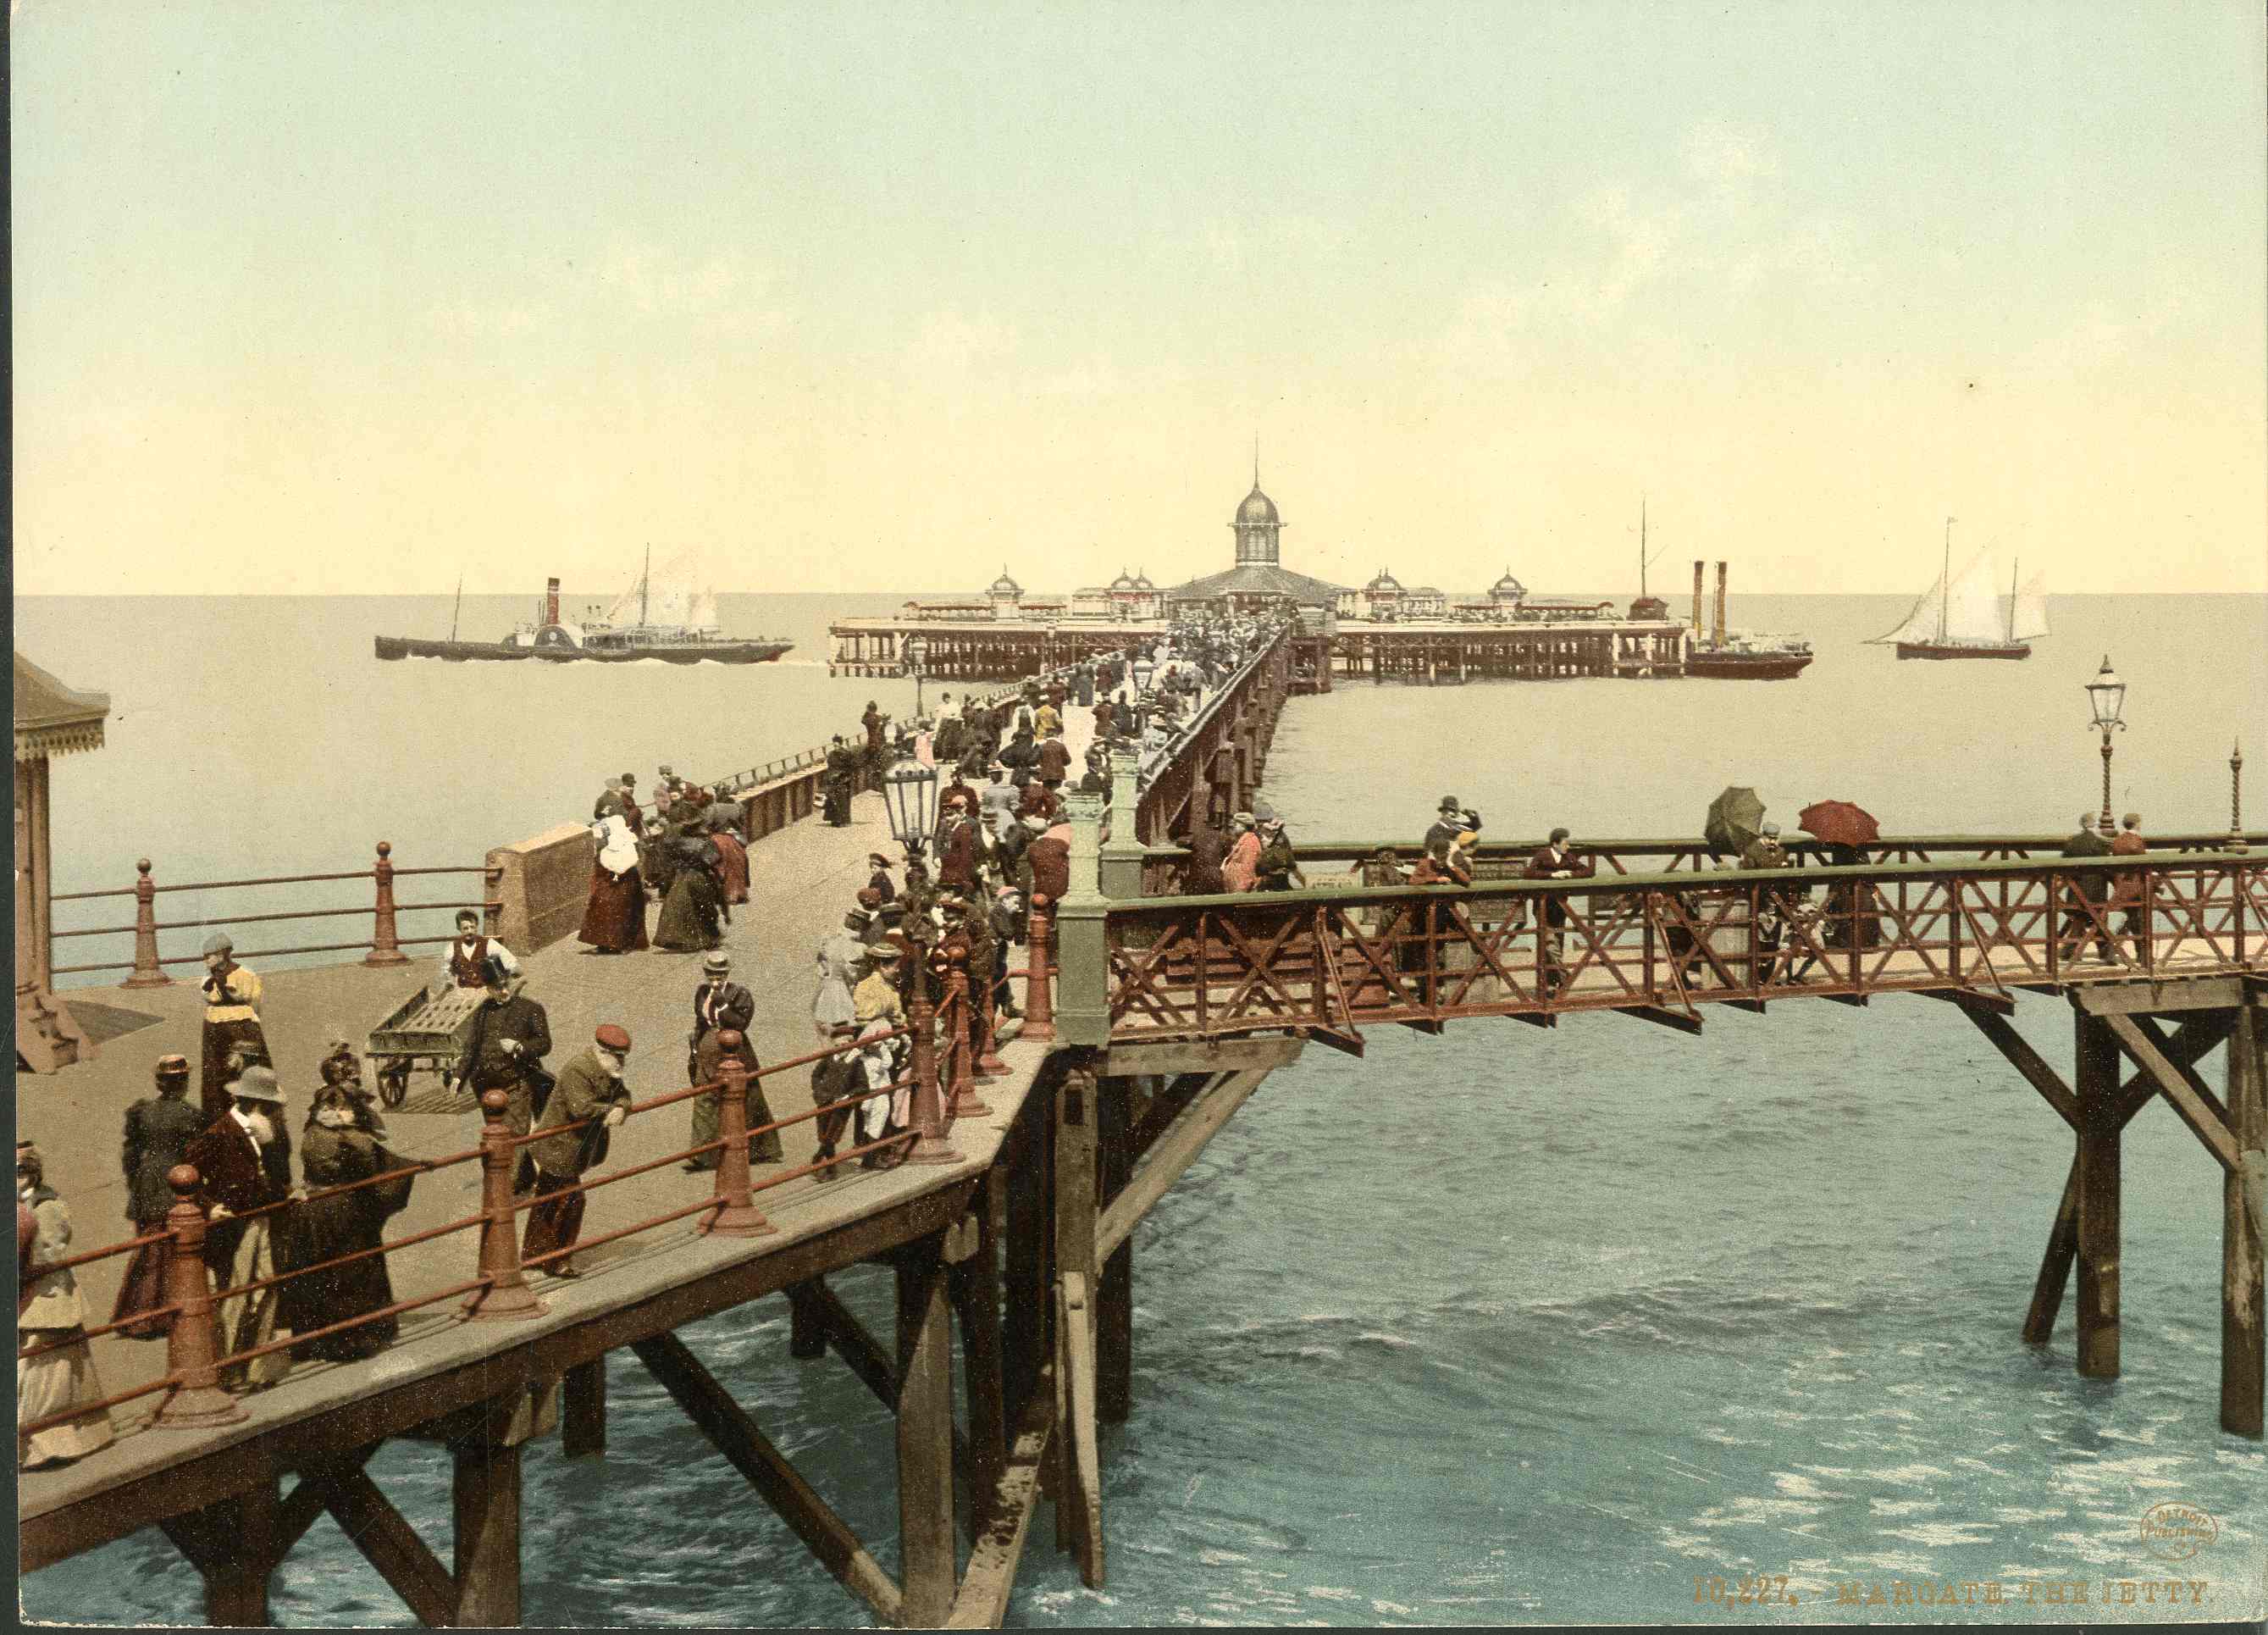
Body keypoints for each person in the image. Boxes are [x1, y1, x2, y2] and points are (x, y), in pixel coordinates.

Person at [186, 1065, 301, 1390]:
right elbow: (186, 1176)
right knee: (236, 1296)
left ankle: (258, 1367)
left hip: (262, 1219)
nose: (276, 1113)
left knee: (268, 1286)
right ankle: (229, 1371)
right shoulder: (219, 1133)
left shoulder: (262, 1131)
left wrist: (287, 1192)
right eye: (271, 1107)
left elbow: (268, 1175)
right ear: (255, 1105)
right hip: (236, 1228)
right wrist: (210, 1206)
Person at [281, 1084, 412, 1362]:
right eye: (341, 1108)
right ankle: (354, 1339)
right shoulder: (348, 1137)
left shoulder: (311, 1132)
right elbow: (374, 1162)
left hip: (313, 1209)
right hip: (341, 1208)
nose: (344, 1113)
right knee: (353, 1271)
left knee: (319, 1274)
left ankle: (315, 1341)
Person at [18, 1143, 116, 1469]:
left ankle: (54, 1445)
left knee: (47, 1377)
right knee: (43, 1373)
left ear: (31, 1173)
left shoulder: (46, 1205)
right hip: (28, 1296)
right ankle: (46, 1444)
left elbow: (52, 1251)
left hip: (47, 1296)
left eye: (18, 1172)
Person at [522, 1024, 635, 1278]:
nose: (621, 1063)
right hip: (559, 1148)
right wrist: (610, 1110)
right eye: (617, 1057)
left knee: (548, 1200)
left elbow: (624, 1094)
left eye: (623, 1057)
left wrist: (621, 1107)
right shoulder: (579, 1069)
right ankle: (557, 1261)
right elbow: (580, 1108)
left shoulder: (607, 1070)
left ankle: (534, 1256)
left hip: (571, 1149)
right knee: (571, 1202)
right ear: (601, 1051)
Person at [109, 1054, 204, 1340]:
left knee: (147, 1246)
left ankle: (136, 1314)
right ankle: (157, 1316)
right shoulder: (188, 1115)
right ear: (183, 1082)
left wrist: (136, 1180)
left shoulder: (144, 1111)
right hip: (173, 1179)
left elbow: (131, 1154)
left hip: (147, 1180)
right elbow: (195, 1153)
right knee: (170, 1248)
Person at [455, 959, 554, 1189]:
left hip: (517, 1084)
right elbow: (471, 1047)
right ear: (488, 989)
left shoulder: (531, 1009)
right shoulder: (482, 1012)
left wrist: (520, 1047)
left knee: (514, 1135)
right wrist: (459, 1077)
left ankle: (505, 1188)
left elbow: (544, 1043)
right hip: (485, 1088)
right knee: (498, 1136)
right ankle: (524, 1176)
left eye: (506, 983)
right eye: (498, 987)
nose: (505, 990)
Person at [684, 953, 781, 1171]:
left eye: (719, 974)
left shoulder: (740, 994)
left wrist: (723, 1005)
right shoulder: (701, 992)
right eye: (710, 974)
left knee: (748, 1100)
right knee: (704, 1099)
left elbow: (740, 1023)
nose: (714, 979)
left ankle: (759, 1149)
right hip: (707, 1051)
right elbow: (700, 1020)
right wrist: (694, 1046)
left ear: (727, 973)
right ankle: (702, 1155)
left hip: (735, 1051)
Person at [198, 932, 270, 1122]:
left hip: (240, 1025)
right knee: (215, 1073)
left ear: (222, 955)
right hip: (214, 1026)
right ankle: (219, 1116)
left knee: (244, 1067)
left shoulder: (246, 976)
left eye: (209, 955)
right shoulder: (208, 979)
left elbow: (254, 1003)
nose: (205, 960)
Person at [1524, 827, 1595, 993]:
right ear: (1555, 843)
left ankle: (1553, 982)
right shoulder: (1543, 855)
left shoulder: (1568, 857)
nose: (1568, 846)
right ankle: (1564, 977)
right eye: (1565, 843)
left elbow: (1588, 871)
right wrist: (1551, 876)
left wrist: (1569, 873)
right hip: (1543, 906)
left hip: (1559, 907)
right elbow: (1529, 873)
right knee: (1549, 943)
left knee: (1558, 942)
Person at [578, 815, 649, 954]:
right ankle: (606, 942)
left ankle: (620, 943)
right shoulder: (608, 844)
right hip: (613, 880)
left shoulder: (623, 843)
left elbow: (626, 862)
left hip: (624, 882)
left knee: (621, 910)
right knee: (605, 909)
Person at [1739, 823, 1795, 981]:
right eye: (1770, 838)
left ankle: (1767, 976)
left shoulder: (1782, 851)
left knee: (1774, 940)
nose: (1772, 842)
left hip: (1777, 903)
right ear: (1762, 836)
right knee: (1758, 940)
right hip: (1760, 902)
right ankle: (1755, 976)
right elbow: (1748, 878)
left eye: (1775, 839)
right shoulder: (1751, 851)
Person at [2056, 812, 2116, 963]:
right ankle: (2106, 953)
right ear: (2094, 824)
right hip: (2096, 890)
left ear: (2081, 824)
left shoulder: (2072, 842)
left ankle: (2069, 951)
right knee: (2099, 920)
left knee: (2079, 920)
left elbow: (2063, 866)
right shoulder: (2099, 843)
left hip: (2077, 890)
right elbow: (2107, 867)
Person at [654, 829, 727, 951]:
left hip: (681, 876)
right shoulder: (705, 843)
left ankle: (678, 939)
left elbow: (670, 860)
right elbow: (713, 861)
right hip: (698, 875)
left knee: (678, 904)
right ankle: (708, 936)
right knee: (705, 905)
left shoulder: (677, 842)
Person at [810, 1019, 865, 1178]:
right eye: (837, 1046)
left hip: (841, 1104)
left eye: (844, 1047)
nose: (840, 1050)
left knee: (832, 1135)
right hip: (824, 1099)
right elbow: (816, 1074)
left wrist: (847, 1096)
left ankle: (826, 1163)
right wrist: (818, 1090)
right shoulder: (829, 1059)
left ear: (851, 1045)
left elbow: (862, 1086)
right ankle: (827, 1164)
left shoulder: (855, 1063)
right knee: (823, 1132)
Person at [441, 908, 521, 988]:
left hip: (486, 989)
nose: (470, 932)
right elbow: (447, 972)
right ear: (458, 928)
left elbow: (510, 962)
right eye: (465, 928)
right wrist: (449, 982)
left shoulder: (489, 944)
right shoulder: (452, 948)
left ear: (477, 926)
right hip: (464, 991)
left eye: (472, 927)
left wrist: (510, 974)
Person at [2110, 811, 2150, 946]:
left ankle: (2115, 948)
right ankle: (2117, 947)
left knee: (2133, 917)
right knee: (2137, 919)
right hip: (2135, 886)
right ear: (2137, 824)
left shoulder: (2117, 841)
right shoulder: (2137, 841)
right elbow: (2144, 864)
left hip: (2120, 885)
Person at [710, 812, 751, 907]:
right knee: (737, 870)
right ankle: (739, 894)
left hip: (725, 850)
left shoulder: (715, 838)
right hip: (735, 851)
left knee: (727, 871)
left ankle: (730, 895)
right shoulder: (732, 833)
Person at [1181, 814, 1230, 895]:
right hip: (1216, 878)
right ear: (1220, 828)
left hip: (1197, 878)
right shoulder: (1224, 838)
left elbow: (1180, 841)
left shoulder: (1196, 836)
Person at [1253, 818, 1304, 891]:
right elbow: (1298, 874)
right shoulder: (1284, 852)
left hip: (1266, 889)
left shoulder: (1264, 855)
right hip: (1281, 887)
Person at [1222, 812, 1262, 893]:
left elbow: (1248, 869)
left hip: (1241, 891)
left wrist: (1241, 892)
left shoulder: (1250, 843)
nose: (1234, 826)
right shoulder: (1244, 841)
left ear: (1243, 827)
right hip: (1236, 888)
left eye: (1237, 824)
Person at [823, 736, 856, 826]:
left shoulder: (847, 754)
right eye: (834, 746)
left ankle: (844, 821)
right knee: (832, 800)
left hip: (843, 780)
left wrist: (843, 774)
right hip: (832, 780)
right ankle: (835, 820)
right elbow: (829, 767)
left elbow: (851, 767)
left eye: (837, 746)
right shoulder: (831, 754)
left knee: (843, 801)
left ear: (841, 744)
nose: (835, 748)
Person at [1423, 795, 1467, 862]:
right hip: (1439, 864)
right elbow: (1429, 853)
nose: (1450, 814)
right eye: (1447, 811)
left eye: (1454, 811)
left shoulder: (1460, 830)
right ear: (1443, 813)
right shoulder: (1433, 831)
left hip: (1456, 864)